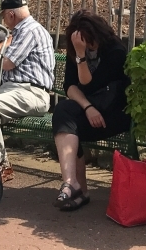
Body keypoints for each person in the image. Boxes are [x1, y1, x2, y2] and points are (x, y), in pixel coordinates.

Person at [52, 11, 130, 212]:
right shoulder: (76, 49)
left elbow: (86, 85)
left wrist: (81, 57)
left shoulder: (115, 52)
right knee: (63, 113)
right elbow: (70, 86)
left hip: (114, 114)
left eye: (90, 42)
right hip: (92, 111)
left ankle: (79, 190)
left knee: (69, 122)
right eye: (82, 42)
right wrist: (87, 108)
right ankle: (71, 183)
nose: (88, 47)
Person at [0, 0, 56, 176]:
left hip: (31, 92)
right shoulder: (20, 31)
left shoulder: (29, 30)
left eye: (3, 16)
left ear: (11, 15)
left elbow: (8, 62)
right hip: (16, 90)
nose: (4, 21)